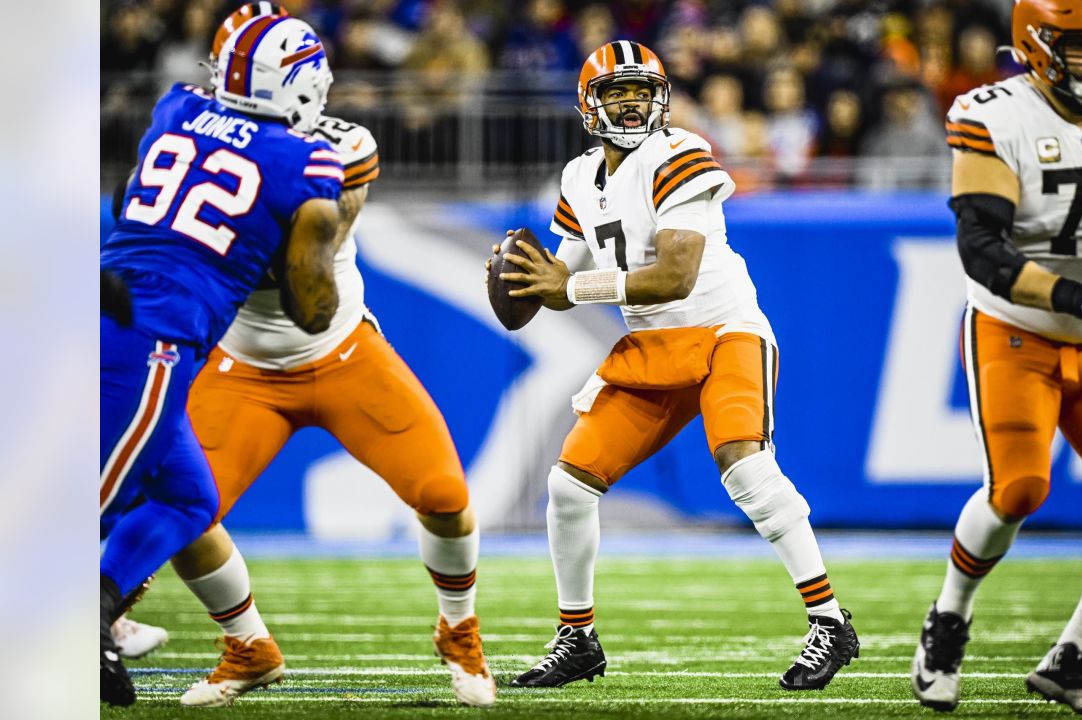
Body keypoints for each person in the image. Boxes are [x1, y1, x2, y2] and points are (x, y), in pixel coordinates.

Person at [116, 3, 497, 709]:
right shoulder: (193, 121)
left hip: (339, 348)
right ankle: (249, 646)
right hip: (242, 365)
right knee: (182, 512)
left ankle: (459, 631)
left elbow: (306, 286)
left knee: (444, 496)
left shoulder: (339, 145)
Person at [488, 40, 859, 691]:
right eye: (616, 92)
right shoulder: (579, 177)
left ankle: (830, 622)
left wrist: (565, 290)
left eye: (641, 91)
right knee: (569, 487)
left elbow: (675, 276)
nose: (631, 103)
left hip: (723, 333)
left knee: (745, 466)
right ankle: (577, 638)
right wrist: (525, 283)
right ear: (589, 103)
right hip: (654, 349)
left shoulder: (677, 152)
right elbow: (562, 272)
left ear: (660, 99)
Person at [911, 1, 1082, 715]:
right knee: (1019, 490)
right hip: (1016, 328)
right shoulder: (995, 113)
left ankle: (1075, 657)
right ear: (1035, 47)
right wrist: (1066, 293)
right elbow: (982, 246)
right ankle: (948, 618)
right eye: (1079, 47)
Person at [99, 14, 343, 707]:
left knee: (187, 498)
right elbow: (313, 310)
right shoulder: (307, 162)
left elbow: (135, 200)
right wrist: (333, 208)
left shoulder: (175, 107)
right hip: (154, 336)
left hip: (121, 308)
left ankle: (94, 616)